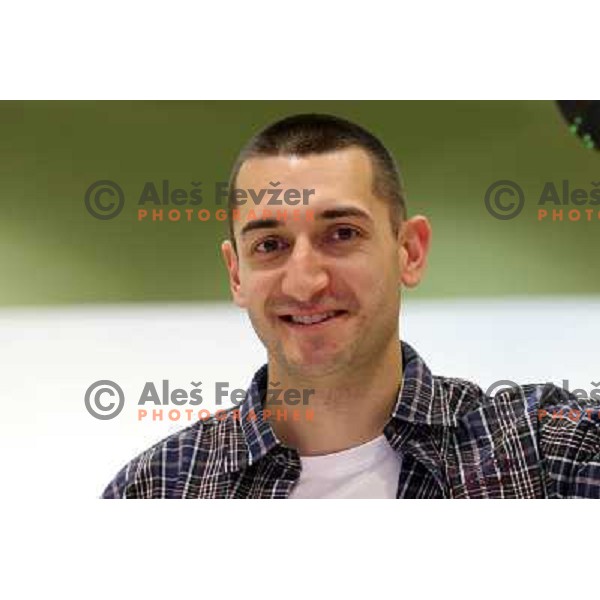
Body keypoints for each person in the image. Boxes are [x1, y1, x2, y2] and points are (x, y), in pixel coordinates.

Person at [102, 113, 600, 499]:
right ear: (236, 274)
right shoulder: (160, 488)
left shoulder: (539, 451)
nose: (305, 282)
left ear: (410, 251)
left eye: (341, 234)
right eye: (270, 245)